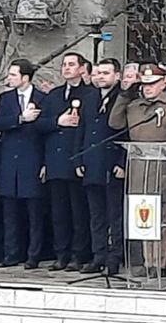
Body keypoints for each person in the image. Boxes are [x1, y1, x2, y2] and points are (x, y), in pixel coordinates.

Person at [109, 63, 166, 278]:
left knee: (162, 218)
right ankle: (147, 261)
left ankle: (160, 262)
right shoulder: (134, 106)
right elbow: (115, 123)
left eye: (152, 84)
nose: (147, 88)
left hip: (163, 170)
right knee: (142, 217)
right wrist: (125, 94)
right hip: (138, 169)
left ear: (163, 83)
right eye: (144, 85)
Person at [36, 52, 95, 272]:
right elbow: (39, 125)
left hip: (76, 160)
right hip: (55, 161)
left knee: (78, 212)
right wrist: (57, 121)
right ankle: (60, 253)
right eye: (64, 65)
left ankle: (78, 254)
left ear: (82, 68)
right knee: (58, 212)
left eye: (72, 64)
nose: (67, 68)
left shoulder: (90, 94)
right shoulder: (54, 95)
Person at [0, 59, 46, 269]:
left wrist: (44, 163)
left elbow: (45, 130)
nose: (9, 79)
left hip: (32, 160)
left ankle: (34, 254)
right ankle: (11, 253)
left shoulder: (42, 98)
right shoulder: (6, 98)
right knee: (10, 212)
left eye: (13, 75)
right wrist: (20, 118)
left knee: (34, 213)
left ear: (25, 77)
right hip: (9, 162)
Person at [74, 58, 124, 276]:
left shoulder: (123, 98)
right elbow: (81, 130)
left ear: (117, 76)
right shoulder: (89, 97)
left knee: (115, 215)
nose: (100, 76)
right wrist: (79, 159)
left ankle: (114, 257)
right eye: (97, 73)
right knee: (96, 215)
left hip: (112, 163)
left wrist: (122, 162)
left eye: (105, 73)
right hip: (92, 162)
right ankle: (99, 255)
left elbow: (128, 132)